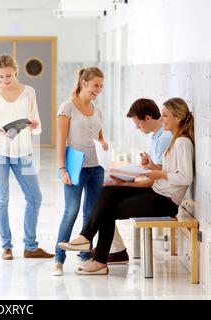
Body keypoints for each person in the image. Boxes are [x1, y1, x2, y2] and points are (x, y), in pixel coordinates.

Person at [60, 97, 194, 275]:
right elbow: (169, 170)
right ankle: (86, 238)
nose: (161, 119)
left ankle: (98, 258)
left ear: (177, 118)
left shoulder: (182, 143)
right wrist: (151, 167)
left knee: (108, 209)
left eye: (165, 116)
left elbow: (185, 177)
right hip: (157, 193)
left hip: (165, 201)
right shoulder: (175, 141)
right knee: (107, 192)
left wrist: (158, 173)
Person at [0, 54, 54, 260]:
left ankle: (31, 247)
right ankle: (6, 246)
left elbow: (38, 127)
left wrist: (33, 125)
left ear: (16, 71)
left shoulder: (29, 92)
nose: (5, 80)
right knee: (1, 200)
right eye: (1, 76)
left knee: (35, 198)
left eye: (9, 76)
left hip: (23, 152)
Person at [94, 98, 172, 264]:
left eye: (138, 124)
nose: (137, 127)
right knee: (106, 192)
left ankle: (102, 249)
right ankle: (103, 247)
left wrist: (125, 182)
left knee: (107, 202)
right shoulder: (156, 137)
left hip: (160, 193)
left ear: (148, 118)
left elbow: (153, 178)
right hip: (156, 188)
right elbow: (153, 170)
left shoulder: (164, 137)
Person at [51, 67, 108, 276]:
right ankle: (58, 260)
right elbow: (61, 140)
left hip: (97, 169)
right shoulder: (67, 108)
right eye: (95, 86)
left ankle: (85, 257)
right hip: (76, 169)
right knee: (70, 213)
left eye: (101, 86)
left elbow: (99, 135)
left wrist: (103, 142)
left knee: (91, 215)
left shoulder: (97, 109)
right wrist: (62, 168)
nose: (98, 90)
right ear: (84, 83)